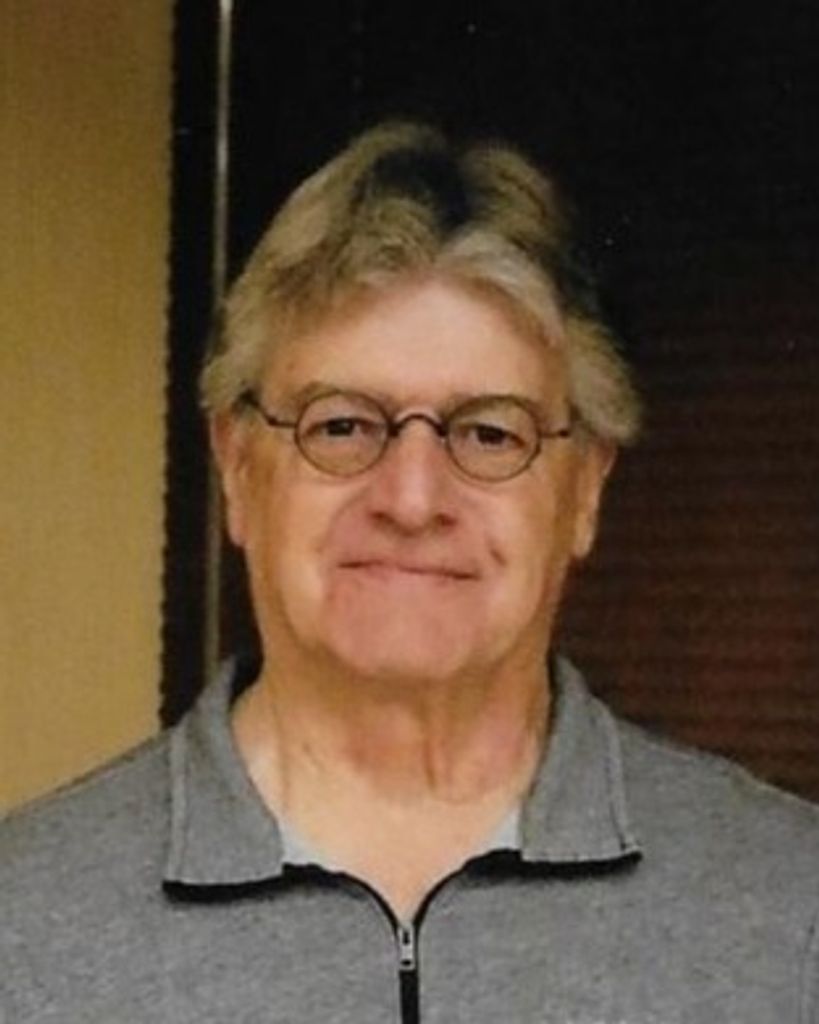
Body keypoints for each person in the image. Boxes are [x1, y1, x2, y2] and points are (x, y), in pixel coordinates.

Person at [2, 121, 818, 1024]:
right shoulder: (23, 926)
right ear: (237, 468)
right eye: (342, 425)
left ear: (585, 489)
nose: (412, 499)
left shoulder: (791, 912)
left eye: (490, 433)